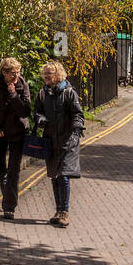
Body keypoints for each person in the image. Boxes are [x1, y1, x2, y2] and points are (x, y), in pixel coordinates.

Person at [0, 56, 31, 220]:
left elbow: (25, 112)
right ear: (4, 72)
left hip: (17, 133)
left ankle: (9, 207)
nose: (16, 77)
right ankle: (7, 190)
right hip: (0, 134)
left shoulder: (23, 86)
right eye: (12, 74)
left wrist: (14, 94)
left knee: (13, 171)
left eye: (18, 73)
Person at [36, 59, 83, 227]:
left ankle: (64, 212)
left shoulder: (69, 93)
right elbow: (38, 112)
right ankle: (58, 210)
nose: (46, 76)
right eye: (45, 74)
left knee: (63, 176)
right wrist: (40, 120)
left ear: (58, 75)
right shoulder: (43, 93)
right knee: (54, 177)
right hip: (51, 141)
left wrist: (76, 131)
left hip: (68, 141)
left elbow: (78, 114)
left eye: (50, 73)